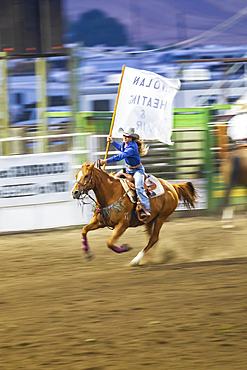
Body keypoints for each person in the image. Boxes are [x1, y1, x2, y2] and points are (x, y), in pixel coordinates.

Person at [99, 126, 151, 217]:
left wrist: (105, 161)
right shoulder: (125, 144)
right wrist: (113, 142)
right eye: (124, 135)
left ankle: (146, 208)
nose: (125, 137)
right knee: (114, 180)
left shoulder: (132, 147)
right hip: (128, 169)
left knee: (139, 187)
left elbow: (120, 156)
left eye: (127, 136)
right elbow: (121, 148)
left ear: (131, 137)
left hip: (137, 170)